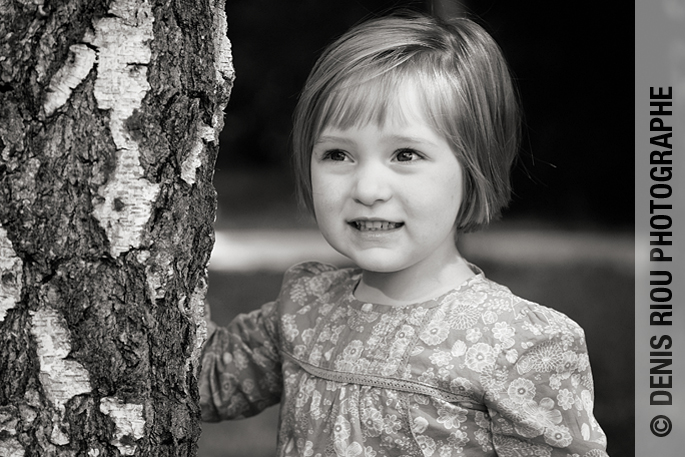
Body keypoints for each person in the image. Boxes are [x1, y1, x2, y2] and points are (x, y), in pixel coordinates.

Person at [200, 11, 609, 457]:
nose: (368, 189)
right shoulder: (305, 306)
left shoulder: (518, 344)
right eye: (337, 154)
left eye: (406, 154)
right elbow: (204, 381)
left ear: (473, 171)